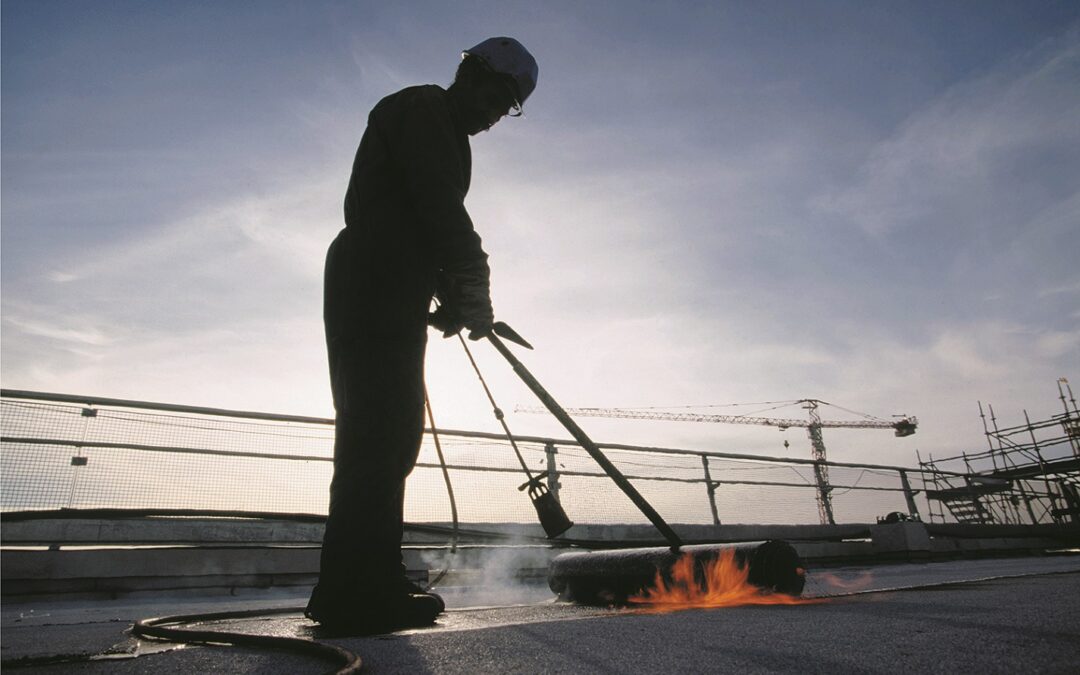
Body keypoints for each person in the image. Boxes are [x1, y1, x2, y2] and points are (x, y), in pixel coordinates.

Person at [306, 38, 539, 633]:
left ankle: (365, 580)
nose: (493, 113)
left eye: (505, 106)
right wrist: (472, 282)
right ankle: (357, 591)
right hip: (373, 275)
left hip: (391, 279)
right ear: (468, 71)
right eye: (494, 94)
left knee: (386, 433)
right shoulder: (423, 110)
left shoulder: (447, 133)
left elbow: (414, 217)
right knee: (380, 432)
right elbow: (437, 210)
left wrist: (442, 295)